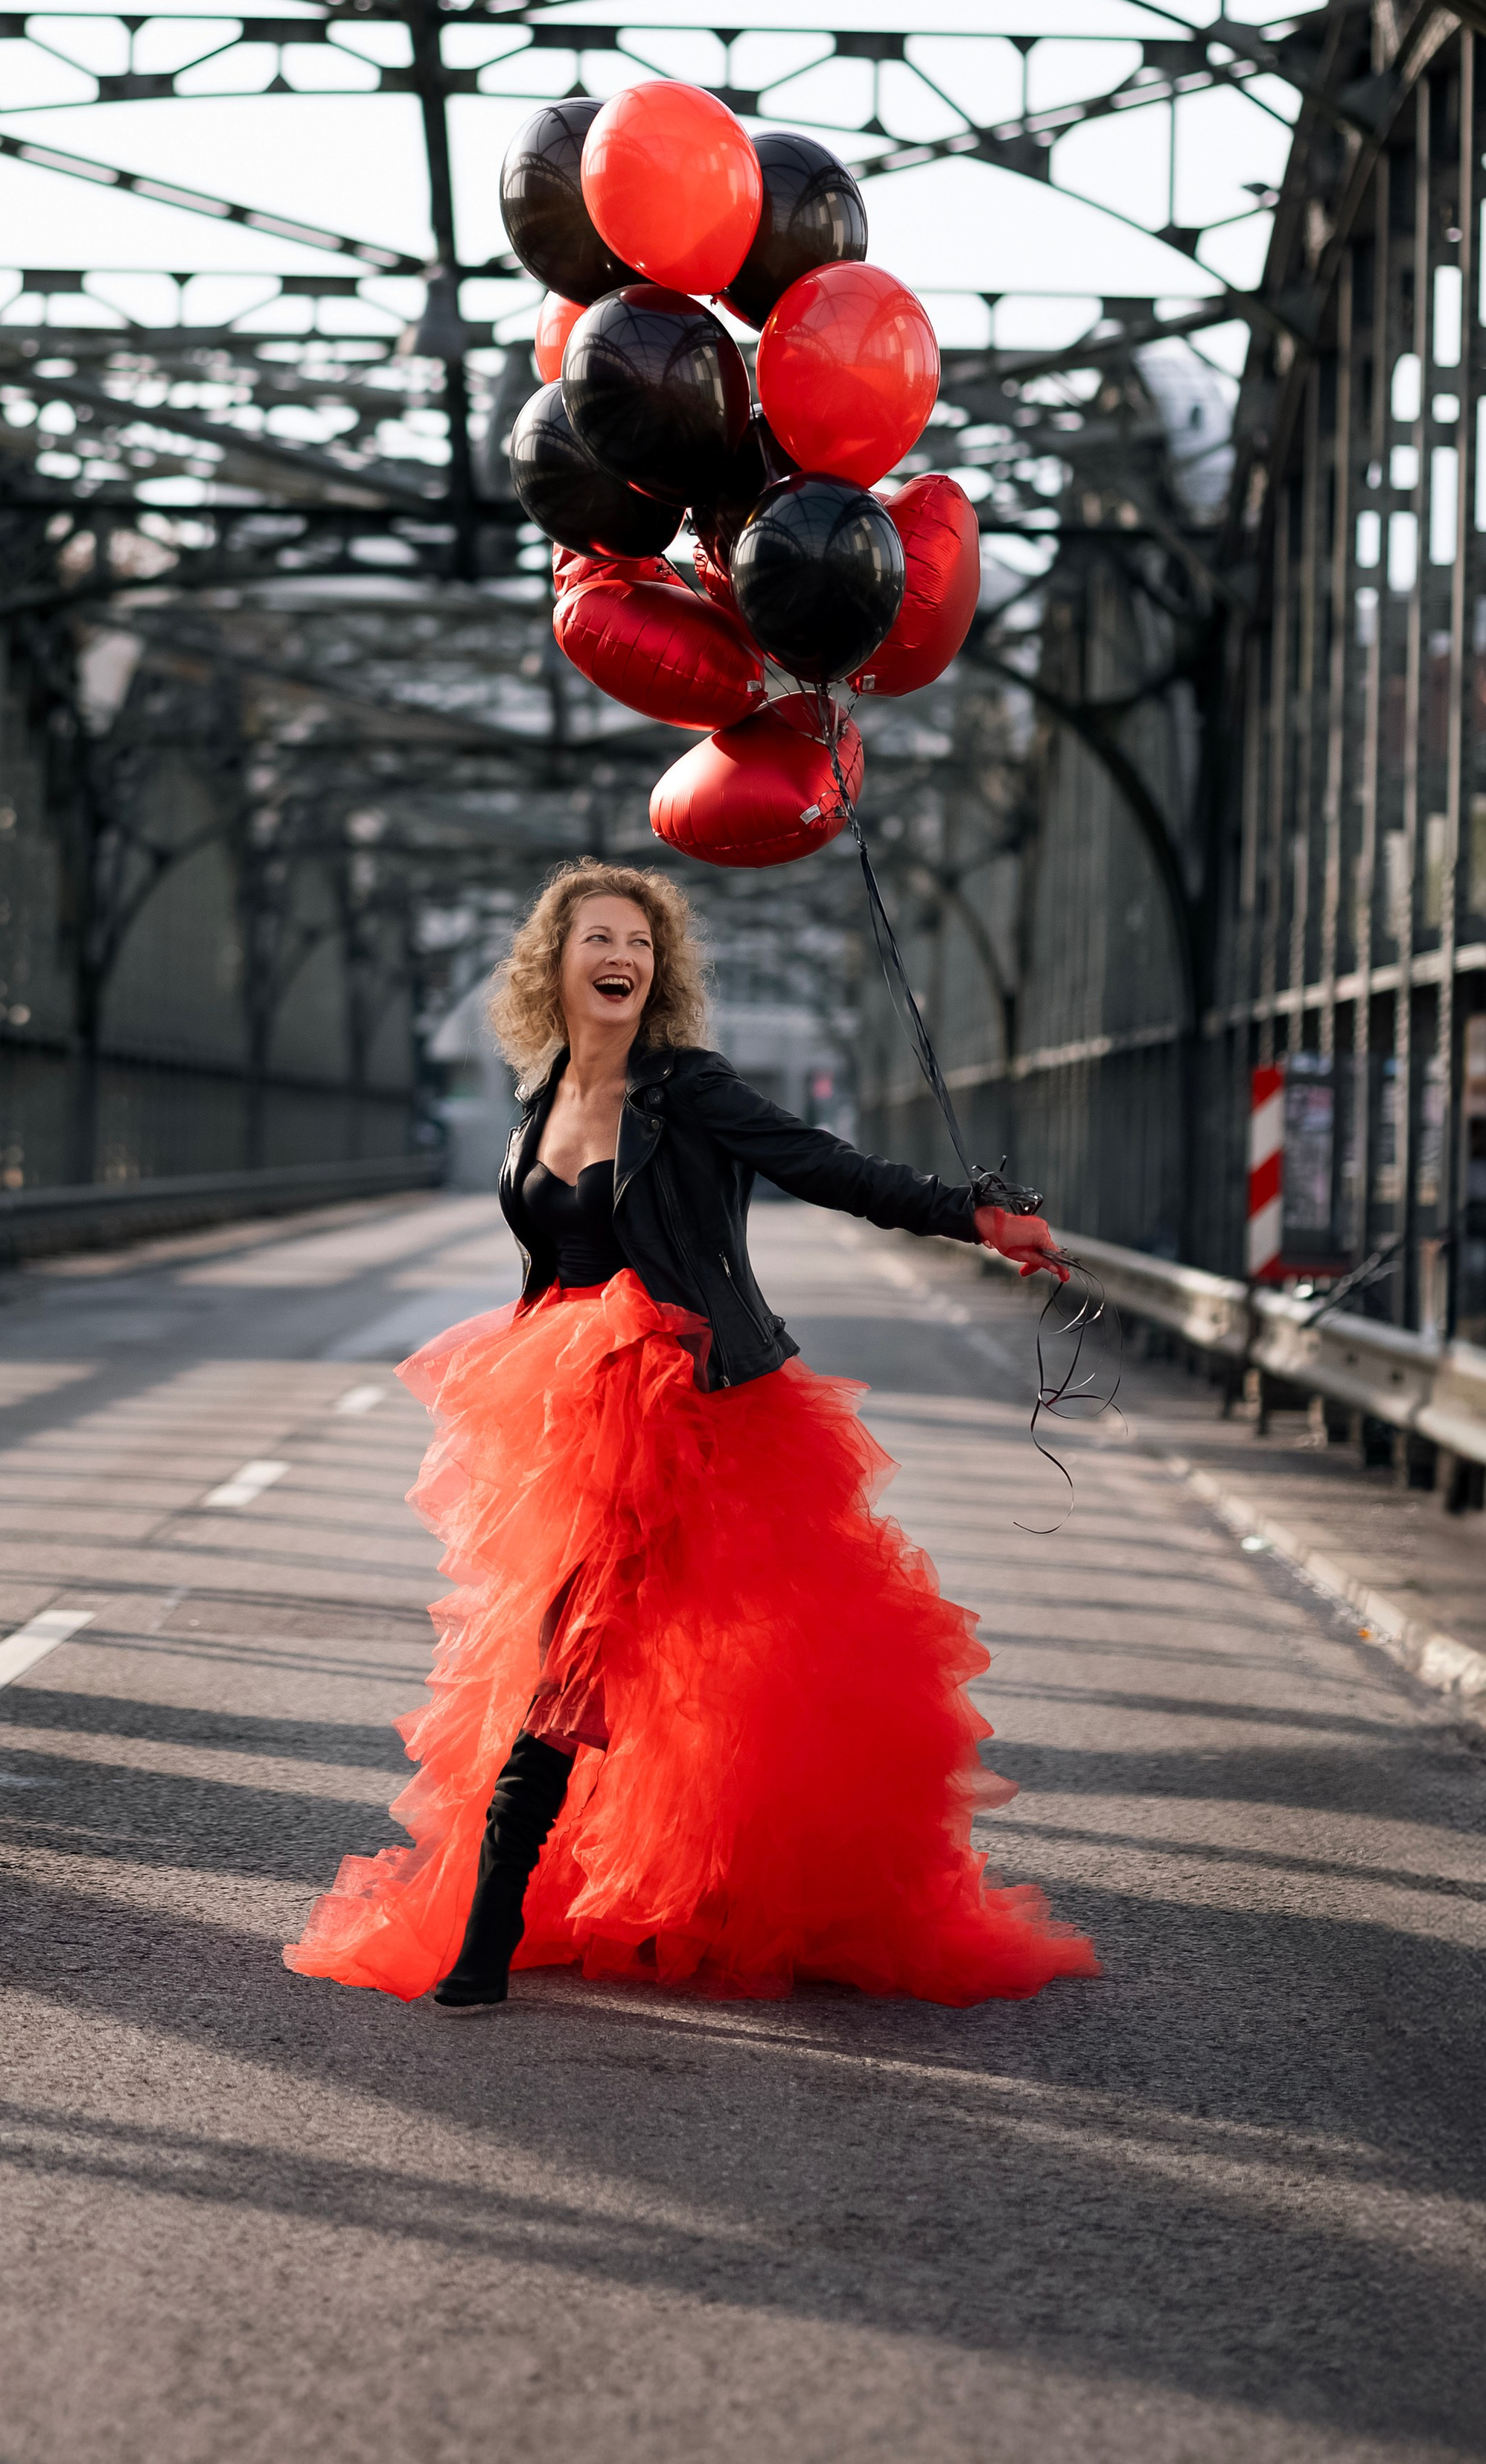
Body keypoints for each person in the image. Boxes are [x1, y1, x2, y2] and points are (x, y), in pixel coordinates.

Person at [285, 859, 1098, 2012]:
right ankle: (578, 1905)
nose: (624, 956)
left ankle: (483, 1935)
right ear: (553, 963)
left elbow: (829, 1166)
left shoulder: (689, 1090)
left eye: (643, 942)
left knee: (603, 1664)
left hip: (689, 1410)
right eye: (599, 937)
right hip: (565, 1411)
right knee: (605, 1668)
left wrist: (975, 1216)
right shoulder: (544, 1095)